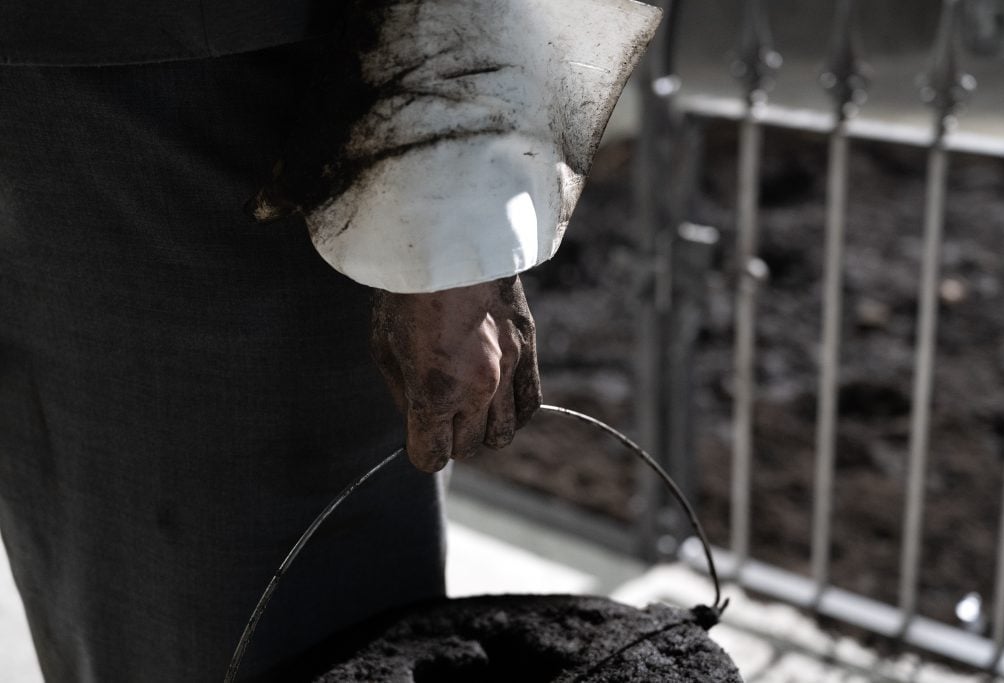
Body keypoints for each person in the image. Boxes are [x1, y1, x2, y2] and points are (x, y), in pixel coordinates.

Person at [0, 1, 658, 680]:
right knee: (93, 595)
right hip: (42, 89)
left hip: (238, 108)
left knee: (282, 625)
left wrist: (446, 228)